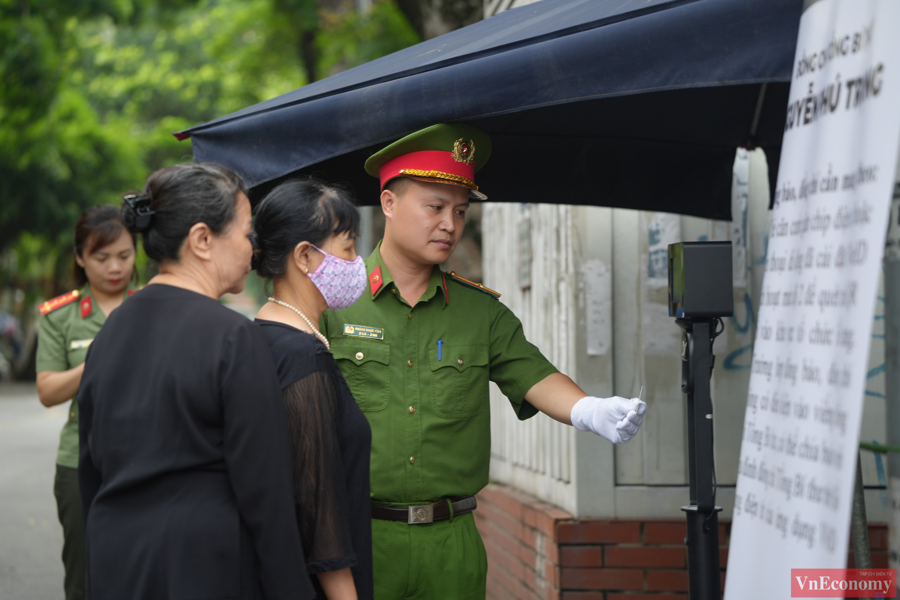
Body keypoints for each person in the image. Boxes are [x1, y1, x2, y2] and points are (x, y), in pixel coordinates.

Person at [321, 123, 647, 599]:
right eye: (434, 207)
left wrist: (588, 410)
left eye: (460, 210)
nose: (450, 224)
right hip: (362, 538)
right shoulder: (334, 301)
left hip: (451, 543)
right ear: (388, 203)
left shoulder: (479, 313)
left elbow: (533, 374)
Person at [77, 162, 315, 600]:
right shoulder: (234, 337)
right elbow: (267, 497)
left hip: (116, 563)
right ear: (203, 240)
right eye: (247, 234)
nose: (254, 250)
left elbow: (91, 474)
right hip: (204, 568)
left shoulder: (109, 334)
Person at [253, 178, 373, 600]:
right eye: (348, 247)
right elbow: (318, 505)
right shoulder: (305, 357)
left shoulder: (259, 337)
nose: (357, 262)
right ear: (305, 256)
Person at [36, 205, 138, 600]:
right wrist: (100, 352)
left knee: (139, 569)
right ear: (80, 257)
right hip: (79, 461)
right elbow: (48, 391)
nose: (114, 266)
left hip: (145, 457)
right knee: (84, 575)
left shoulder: (152, 304)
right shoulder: (59, 316)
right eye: (101, 257)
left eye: (125, 256)